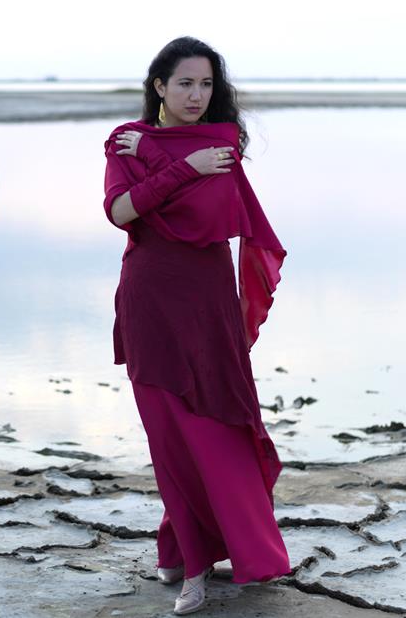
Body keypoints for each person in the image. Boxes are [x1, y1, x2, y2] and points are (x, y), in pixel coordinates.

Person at [103, 36, 291, 616]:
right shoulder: (125, 141)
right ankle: (191, 562)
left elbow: (205, 217)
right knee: (169, 438)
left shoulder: (222, 140)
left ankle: (208, 548)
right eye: (185, 83)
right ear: (159, 85)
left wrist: (159, 164)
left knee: (218, 428)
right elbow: (119, 212)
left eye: (207, 84)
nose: (196, 95)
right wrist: (180, 165)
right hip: (151, 299)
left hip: (207, 302)